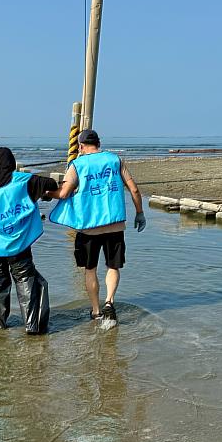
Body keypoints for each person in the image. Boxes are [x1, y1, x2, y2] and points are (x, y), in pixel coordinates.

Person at [48, 129, 146, 329]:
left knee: (90, 269)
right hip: (115, 224)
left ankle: (96, 311)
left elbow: (64, 193)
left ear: (81, 146)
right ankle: (109, 301)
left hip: (88, 228)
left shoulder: (77, 164)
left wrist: (45, 191)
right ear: (98, 143)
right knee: (113, 266)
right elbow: (134, 189)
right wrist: (139, 213)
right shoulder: (115, 160)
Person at [0, 147, 59, 334]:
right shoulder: (23, 180)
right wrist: (37, 194)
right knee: (26, 284)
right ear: (11, 163)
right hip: (18, 247)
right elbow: (51, 183)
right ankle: (33, 327)